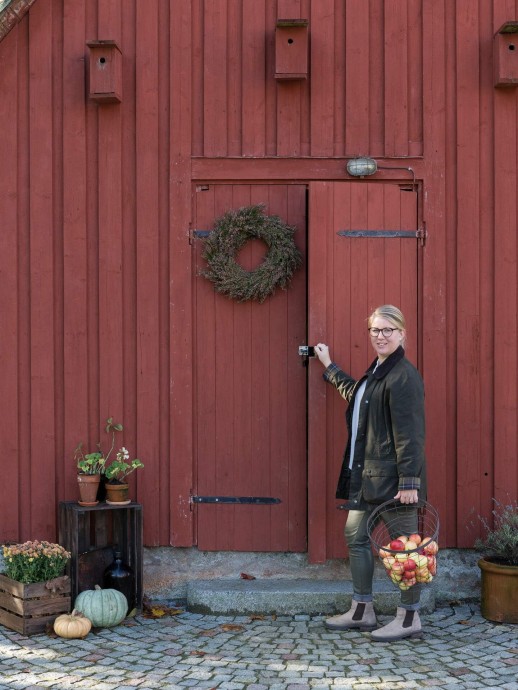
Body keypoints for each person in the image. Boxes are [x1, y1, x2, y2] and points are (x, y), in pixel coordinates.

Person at [314, 304, 426, 642]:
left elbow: (411, 434)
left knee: (405, 550)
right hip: (366, 478)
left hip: (394, 484)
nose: (380, 336)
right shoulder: (377, 371)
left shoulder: (403, 376)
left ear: (402, 334)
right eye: (375, 330)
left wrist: (409, 483)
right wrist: (329, 366)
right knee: (356, 536)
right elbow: (358, 398)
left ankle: (409, 618)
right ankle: (362, 610)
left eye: (387, 330)